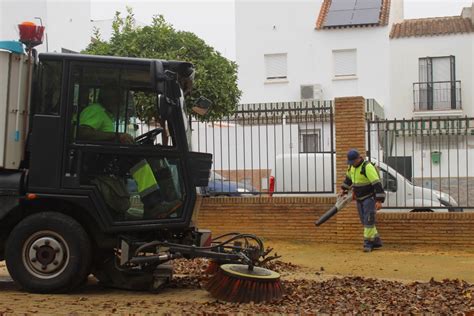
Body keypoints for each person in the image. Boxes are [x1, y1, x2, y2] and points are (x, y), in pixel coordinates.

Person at [78, 88, 181, 219]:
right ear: (109, 97)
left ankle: (160, 202)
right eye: (118, 98)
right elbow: (83, 133)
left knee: (148, 156)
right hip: (97, 163)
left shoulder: (104, 113)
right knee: (136, 161)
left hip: (104, 159)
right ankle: (154, 205)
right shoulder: (95, 111)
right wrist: (117, 136)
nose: (120, 102)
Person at [340, 149, 385, 252]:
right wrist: (344, 189)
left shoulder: (367, 167)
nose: (352, 164)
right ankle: (376, 241)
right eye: (350, 162)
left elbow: (377, 184)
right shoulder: (351, 167)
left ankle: (368, 244)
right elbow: (348, 179)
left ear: (359, 158)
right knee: (365, 221)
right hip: (359, 199)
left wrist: (379, 201)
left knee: (369, 220)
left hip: (369, 198)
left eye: (353, 162)